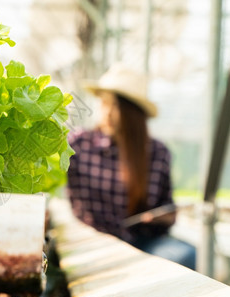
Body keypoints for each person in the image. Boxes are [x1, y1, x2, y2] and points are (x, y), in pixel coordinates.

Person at [67, 64, 196, 270]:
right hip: (95, 242)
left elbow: (169, 210)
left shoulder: (157, 152)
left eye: (116, 106)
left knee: (185, 255)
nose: (107, 113)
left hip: (142, 243)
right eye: (104, 103)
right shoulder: (79, 144)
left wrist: (159, 217)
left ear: (133, 113)